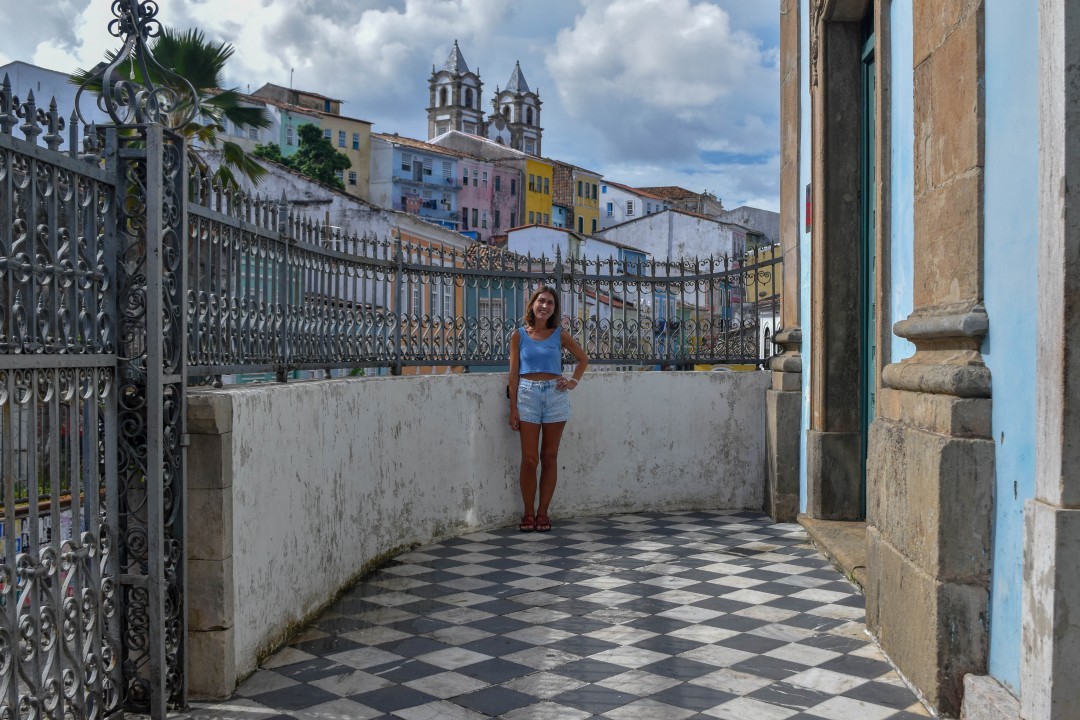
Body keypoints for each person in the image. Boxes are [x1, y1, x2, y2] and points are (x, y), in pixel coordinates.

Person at [508, 286, 588, 532]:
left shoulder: (559, 334)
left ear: (554, 309)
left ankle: (543, 513)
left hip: (555, 395)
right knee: (530, 459)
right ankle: (528, 512)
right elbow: (513, 373)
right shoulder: (519, 335)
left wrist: (573, 381)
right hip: (527, 395)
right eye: (541, 301)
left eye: (550, 303)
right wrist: (513, 408)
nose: (545, 306)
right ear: (532, 304)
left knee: (549, 457)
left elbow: (582, 359)